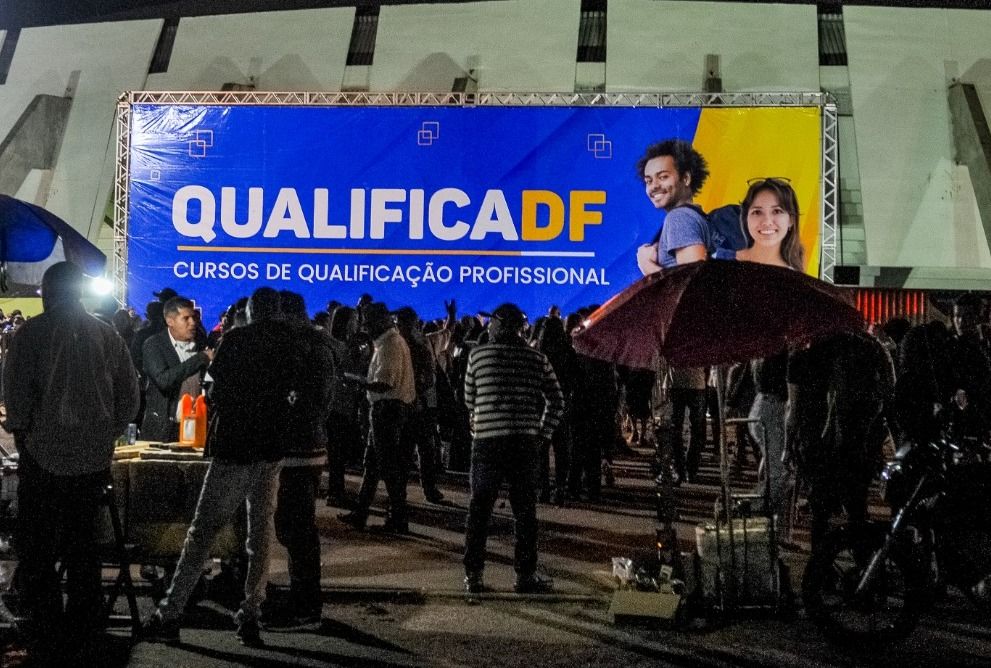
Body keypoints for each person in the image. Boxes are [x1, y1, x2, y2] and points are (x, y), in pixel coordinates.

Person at [142, 287, 306, 647]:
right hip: (271, 449)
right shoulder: (293, 345)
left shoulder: (235, 341)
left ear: (250, 310)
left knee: (202, 532)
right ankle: (251, 612)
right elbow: (296, 397)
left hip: (234, 447)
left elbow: (214, 392)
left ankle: (170, 612)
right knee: (259, 533)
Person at [3, 262, 140, 663]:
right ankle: (84, 625)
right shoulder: (106, 334)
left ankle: (47, 627)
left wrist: (25, 434)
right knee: (84, 548)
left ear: (48, 291)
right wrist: (105, 435)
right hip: (92, 459)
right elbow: (128, 398)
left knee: (39, 548)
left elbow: (17, 398)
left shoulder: (31, 335)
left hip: (42, 458)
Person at [462, 303, 564, 594]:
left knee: (480, 509)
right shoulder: (537, 358)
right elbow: (557, 400)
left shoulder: (478, 356)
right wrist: (542, 434)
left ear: (497, 324)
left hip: (487, 441)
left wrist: (484, 413)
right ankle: (525, 575)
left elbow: (469, 398)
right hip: (524, 442)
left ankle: (474, 575)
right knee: (525, 512)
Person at [272, 291, 334, 627]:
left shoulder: (300, 348)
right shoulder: (318, 345)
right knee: (296, 528)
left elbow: (294, 397)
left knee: (296, 529)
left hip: (298, 449)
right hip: (309, 445)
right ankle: (302, 597)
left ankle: (306, 606)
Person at [338, 301, 416, 534]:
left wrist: (357, 381)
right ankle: (361, 512)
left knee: (387, 466)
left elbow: (384, 383)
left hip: (387, 410)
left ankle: (398, 518)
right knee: (372, 464)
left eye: (369, 323)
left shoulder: (390, 345)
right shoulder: (387, 342)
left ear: (381, 322)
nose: (366, 328)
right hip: (387, 410)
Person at [140, 296, 213, 442]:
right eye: (186, 318)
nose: (192, 323)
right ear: (170, 321)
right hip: (164, 429)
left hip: (197, 427)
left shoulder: (202, 344)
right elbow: (164, 380)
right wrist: (200, 359)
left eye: (194, 317)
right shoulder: (154, 345)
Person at [635, 138, 712, 275]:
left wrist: (646, 265)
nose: (654, 186)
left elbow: (693, 284)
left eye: (663, 177)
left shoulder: (679, 218)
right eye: (648, 181)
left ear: (686, 178)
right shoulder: (694, 216)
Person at [719, 177, 806, 271]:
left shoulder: (794, 280)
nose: (767, 222)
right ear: (746, 219)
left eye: (777, 211)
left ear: (791, 220)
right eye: (757, 212)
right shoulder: (719, 260)